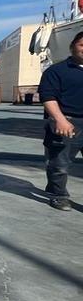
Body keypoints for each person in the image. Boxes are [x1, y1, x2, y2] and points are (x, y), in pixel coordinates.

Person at [38, 31, 83, 211]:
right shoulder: (56, 71)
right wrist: (60, 119)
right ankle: (59, 195)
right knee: (60, 163)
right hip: (67, 121)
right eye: (82, 45)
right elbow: (48, 97)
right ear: (73, 46)